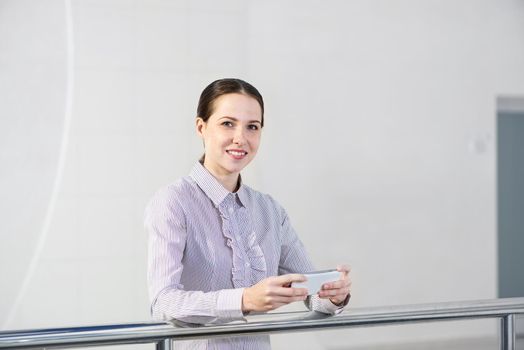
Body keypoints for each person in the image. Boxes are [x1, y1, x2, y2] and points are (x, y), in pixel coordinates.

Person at [145, 78, 351, 349]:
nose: (240, 138)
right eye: (228, 123)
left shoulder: (270, 211)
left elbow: (312, 294)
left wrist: (333, 295)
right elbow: (163, 303)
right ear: (201, 127)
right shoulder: (173, 201)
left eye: (252, 127)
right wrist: (244, 300)